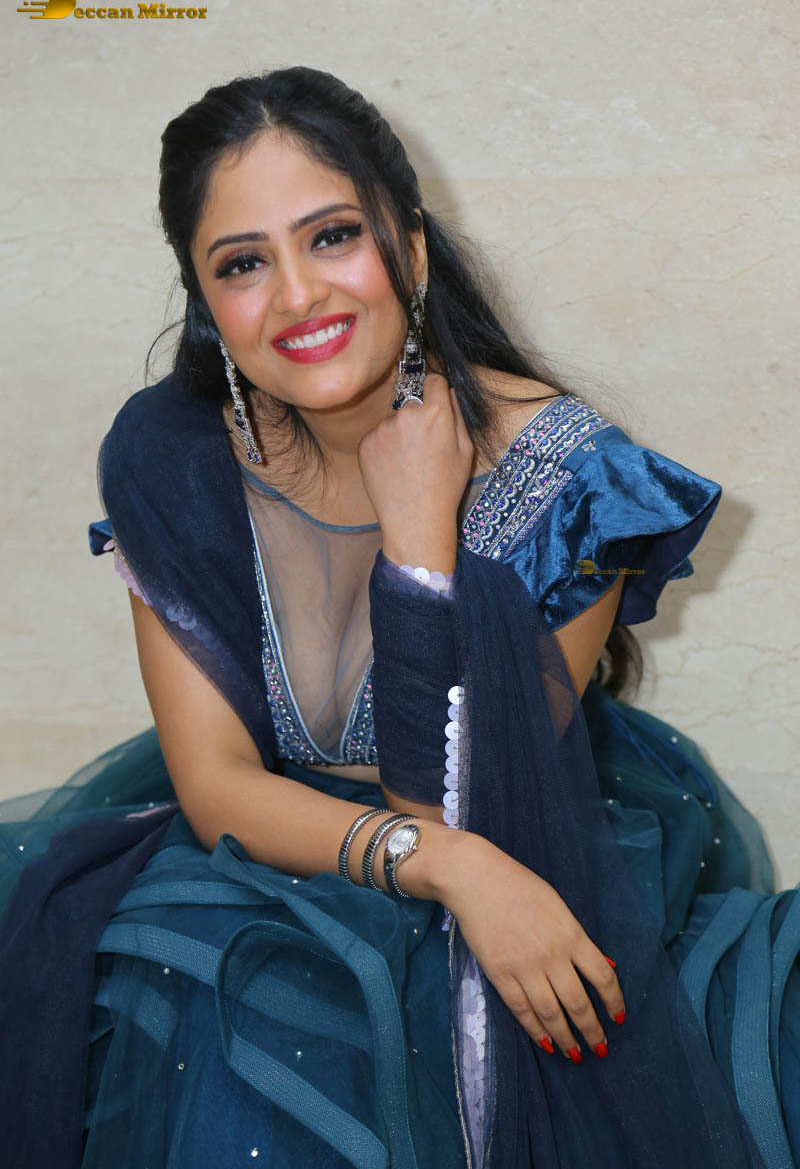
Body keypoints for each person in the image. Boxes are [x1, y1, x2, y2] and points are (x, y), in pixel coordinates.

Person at [1, 65, 798, 1169]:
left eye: (331, 237)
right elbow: (216, 783)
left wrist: (420, 544)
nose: (296, 297)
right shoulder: (171, 454)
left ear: (411, 252)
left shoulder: (573, 479)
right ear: (204, 299)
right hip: (281, 840)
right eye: (243, 264)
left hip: (516, 820)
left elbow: (446, 796)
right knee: (203, 1007)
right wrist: (452, 869)